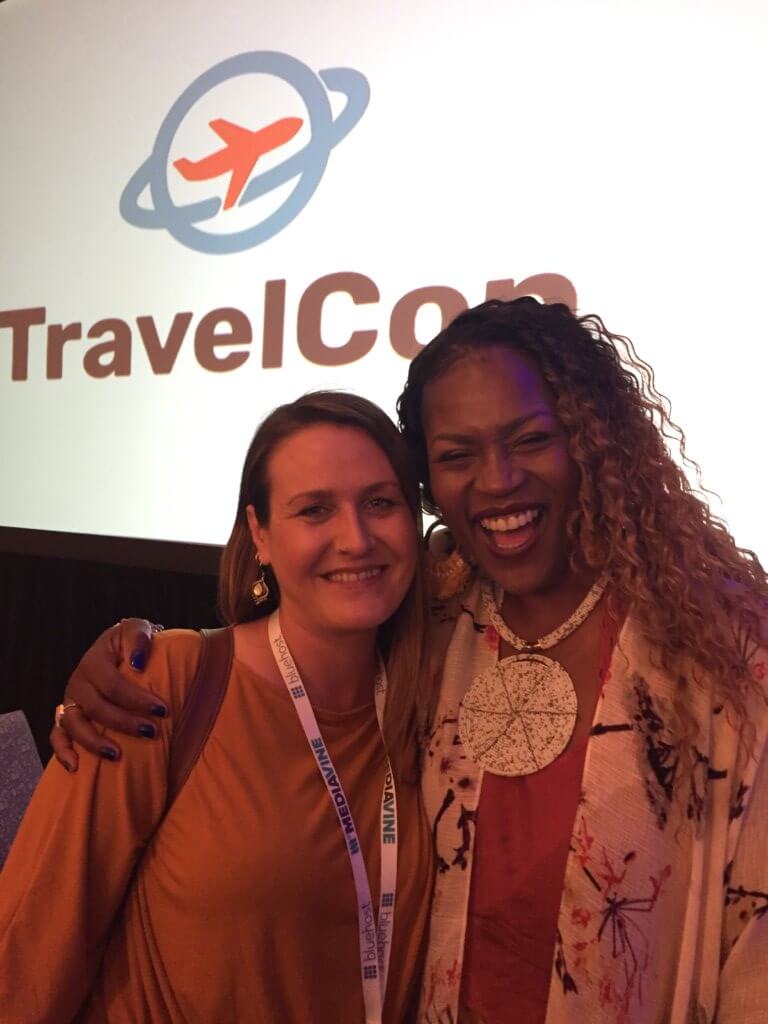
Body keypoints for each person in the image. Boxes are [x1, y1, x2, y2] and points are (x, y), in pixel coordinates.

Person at [51, 299, 768, 1024]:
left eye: (530, 439)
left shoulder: (717, 656)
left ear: (593, 443)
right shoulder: (428, 624)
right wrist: (128, 645)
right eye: (457, 455)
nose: (497, 480)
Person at [0, 392, 434, 1023]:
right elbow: (33, 944)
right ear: (259, 534)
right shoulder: (166, 681)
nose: (356, 537)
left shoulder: (431, 699)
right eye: (314, 509)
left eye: (380, 502)